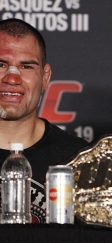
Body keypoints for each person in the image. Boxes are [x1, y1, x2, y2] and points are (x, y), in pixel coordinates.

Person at [0, 18, 89, 223]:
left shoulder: (80, 161)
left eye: (27, 66)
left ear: (45, 77)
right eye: (1, 64)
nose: (12, 79)